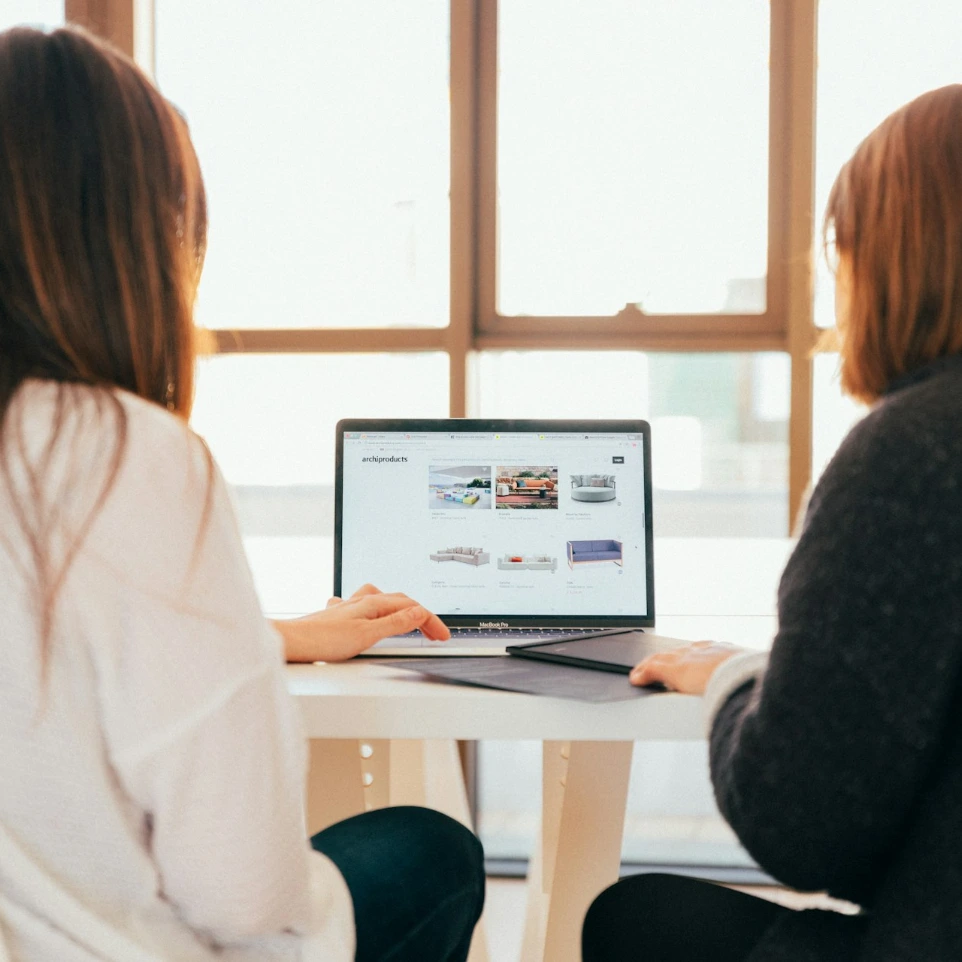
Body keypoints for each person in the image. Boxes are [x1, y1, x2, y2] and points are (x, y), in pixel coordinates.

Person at [0, 25, 483, 962]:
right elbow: (244, 894)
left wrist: (274, 638)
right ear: (135, 240)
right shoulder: (121, 457)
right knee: (434, 852)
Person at [583, 83, 962, 962]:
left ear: (889, 257)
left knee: (633, 922)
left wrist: (734, 683)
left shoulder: (914, 452)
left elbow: (803, 827)